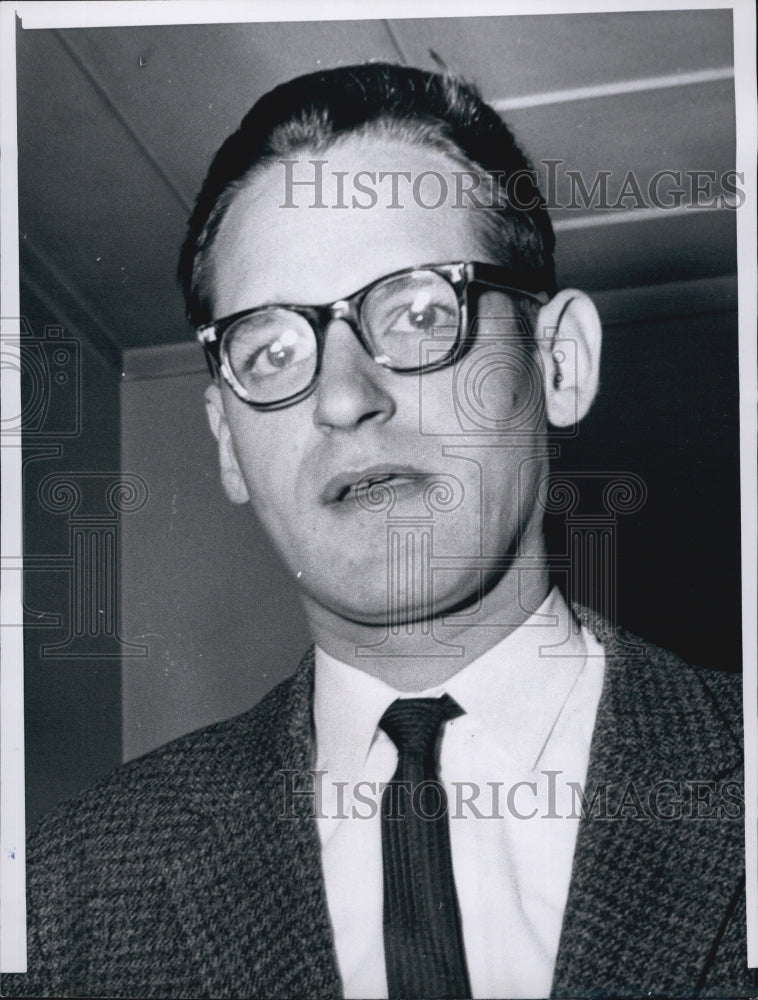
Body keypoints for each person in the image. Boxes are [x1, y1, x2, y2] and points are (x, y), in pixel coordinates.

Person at [7, 63, 753, 1000]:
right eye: (273, 350)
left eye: (418, 311)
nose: (347, 397)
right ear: (229, 444)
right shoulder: (63, 895)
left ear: (558, 364)